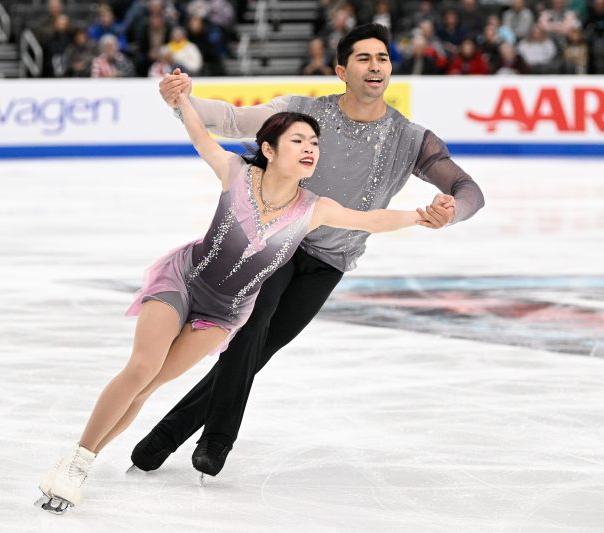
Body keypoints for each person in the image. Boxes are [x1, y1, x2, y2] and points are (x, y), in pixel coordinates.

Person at [36, 85, 438, 515]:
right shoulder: (236, 173)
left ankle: (81, 461)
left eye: (314, 142)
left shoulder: (315, 208)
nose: (310, 148)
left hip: (223, 313)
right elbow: (200, 136)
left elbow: (372, 219)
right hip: (183, 280)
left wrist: (421, 216)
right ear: (269, 149)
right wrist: (181, 100)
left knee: (150, 385)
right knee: (142, 368)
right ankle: (77, 461)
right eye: (298, 140)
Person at [127, 23, 485, 479]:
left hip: (331, 261)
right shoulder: (304, 114)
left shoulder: (410, 139)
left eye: (382, 58)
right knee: (250, 329)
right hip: (279, 241)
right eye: (363, 58)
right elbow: (233, 121)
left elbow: (467, 188)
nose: (375, 66)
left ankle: (163, 437)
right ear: (342, 70)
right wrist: (183, 100)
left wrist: (450, 212)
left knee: (261, 350)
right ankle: (215, 442)